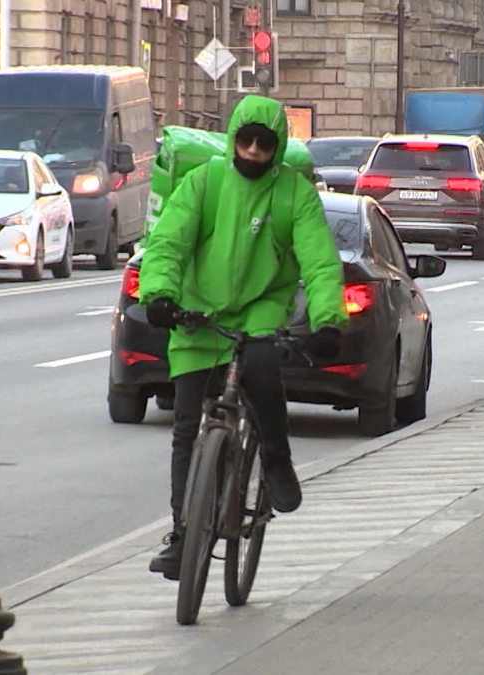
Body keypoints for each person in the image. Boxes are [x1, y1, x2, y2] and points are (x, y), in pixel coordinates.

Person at [137, 95, 348, 579]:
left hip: (258, 309)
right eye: (245, 140)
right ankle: (182, 532)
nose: (253, 150)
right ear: (233, 138)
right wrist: (161, 294)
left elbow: (318, 262)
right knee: (186, 429)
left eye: (265, 143)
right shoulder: (204, 182)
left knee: (262, 375)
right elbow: (168, 242)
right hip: (196, 313)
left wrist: (328, 321)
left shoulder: (294, 193)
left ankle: (276, 458)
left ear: (278, 148)